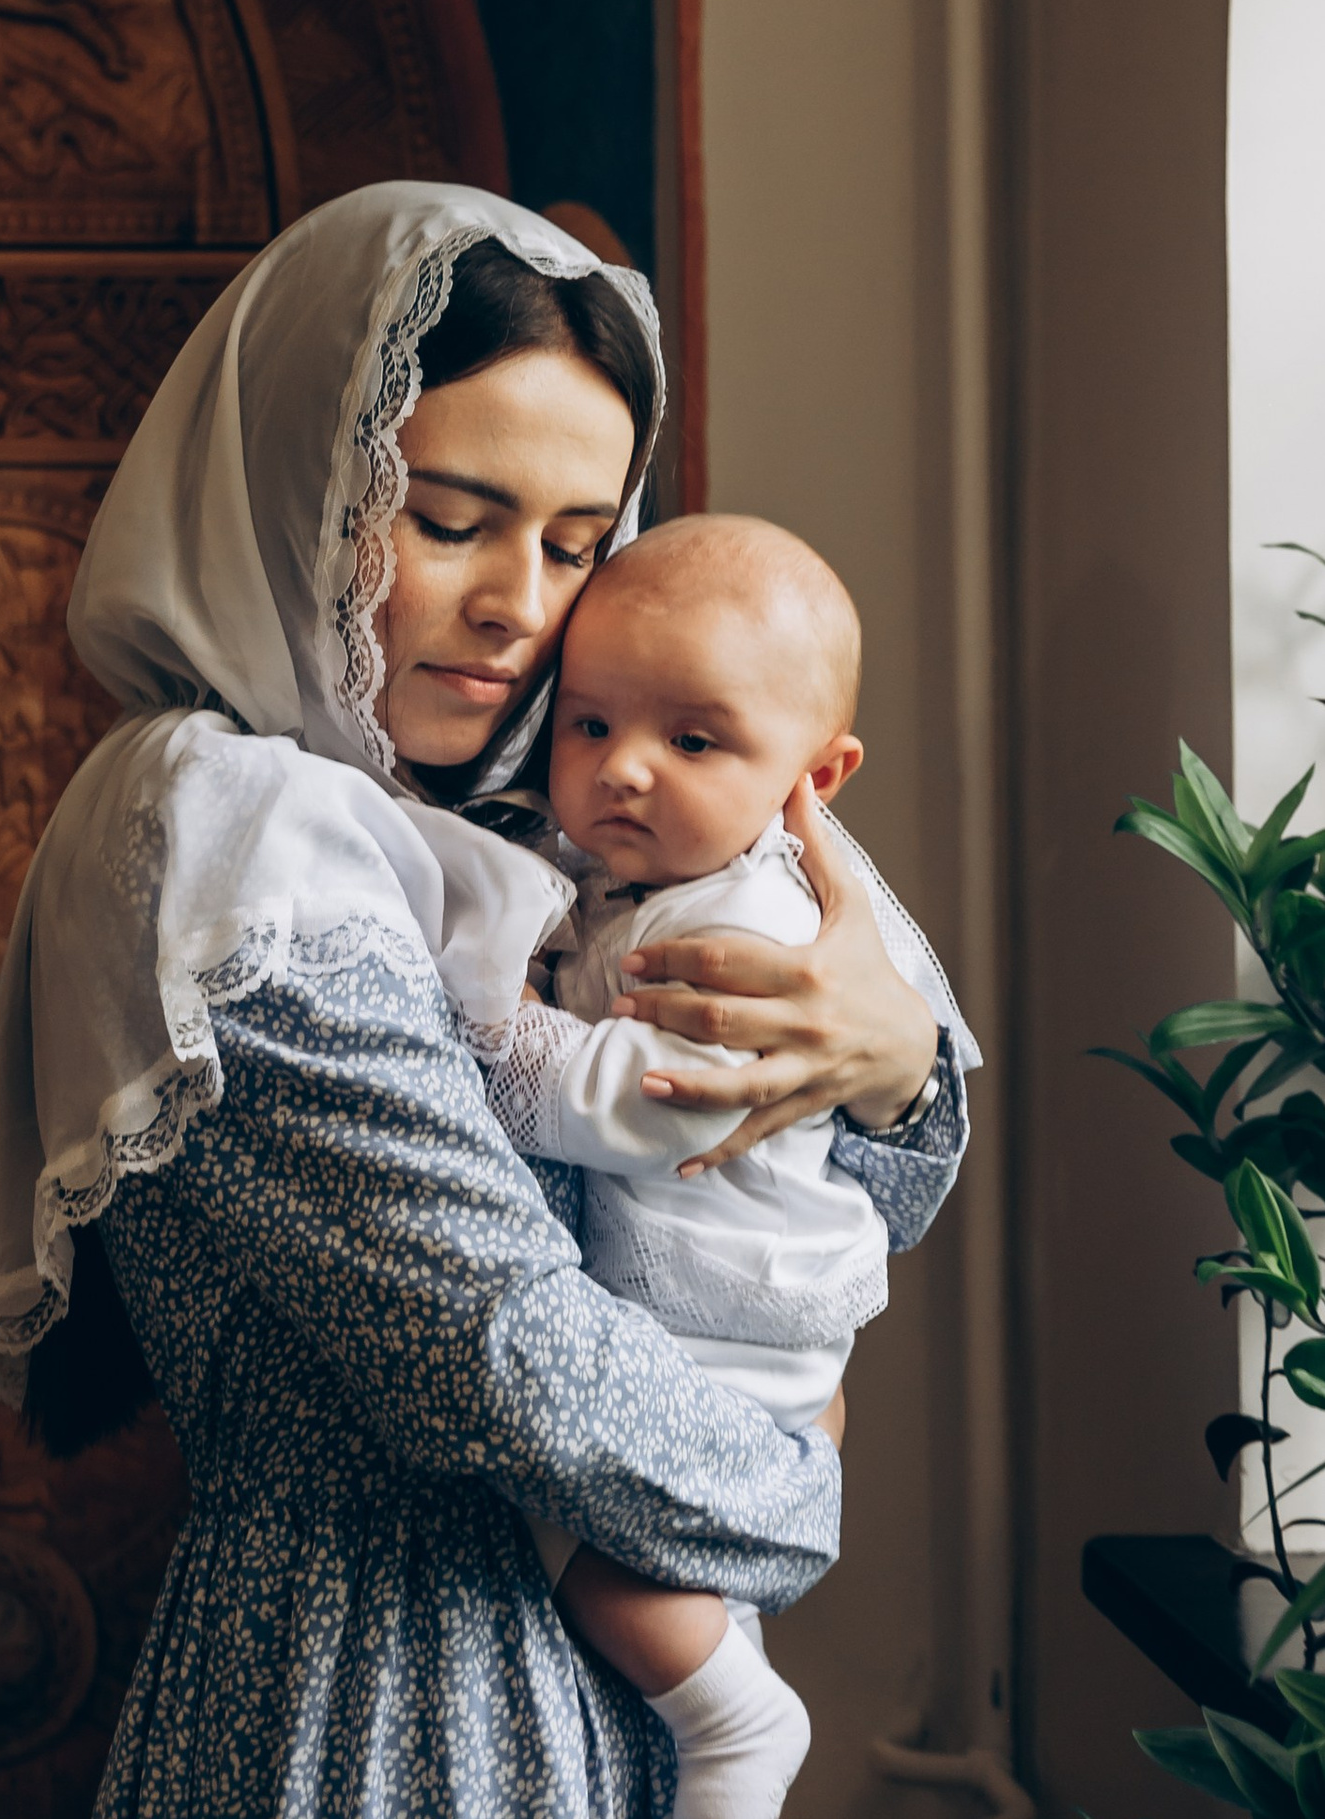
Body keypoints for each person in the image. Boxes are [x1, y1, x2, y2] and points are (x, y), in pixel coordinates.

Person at [0, 183, 973, 1817]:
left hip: (588, 1691)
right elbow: (495, 1351)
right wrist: (792, 1489)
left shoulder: (548, 795)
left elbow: (884, 1164)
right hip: (383, 1704)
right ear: (304, 480)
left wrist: (889, 1070)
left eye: (574, 543)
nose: (520, 608)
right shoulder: (236, 827)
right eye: (450, 519)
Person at [450, 513, 967, 1818]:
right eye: (589, 726)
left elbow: (665, 1102)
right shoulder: (650, 875)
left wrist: (505, 1037)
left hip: (718, 1326)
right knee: (657, 1566)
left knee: (565, 1515)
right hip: (704, 1314)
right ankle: (724, 1690)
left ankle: (735, 1719)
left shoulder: (745, 921)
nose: (622, 771)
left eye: (692, 741)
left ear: (818, 776)